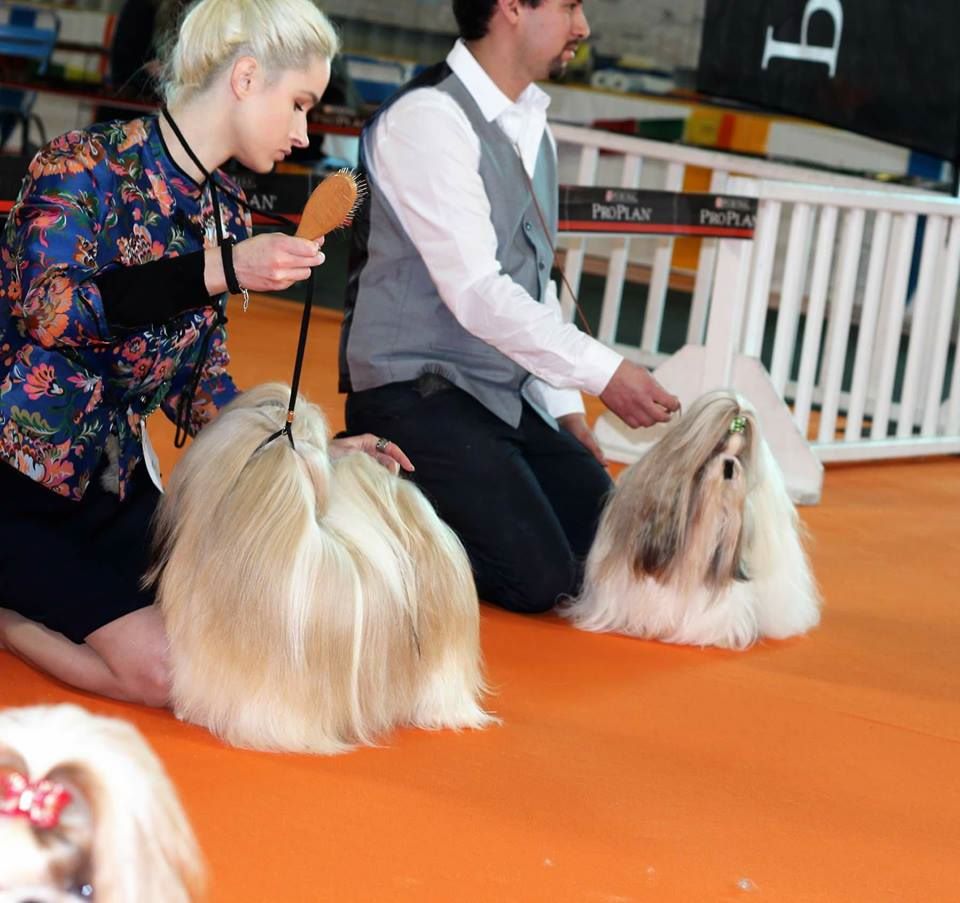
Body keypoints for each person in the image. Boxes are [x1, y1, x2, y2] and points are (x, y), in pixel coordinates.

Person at [0, 0, 409, 706]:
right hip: (16, 486)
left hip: (115, 485)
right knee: (163, 673)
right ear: (246, 78)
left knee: (234, 636)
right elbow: (51, 314)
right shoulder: (81, 166)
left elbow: (199, 384)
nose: (305, 132)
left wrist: (307, 447)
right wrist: (217, 269)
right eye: (300, 104)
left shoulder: (226, 208)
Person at [339, 0, 681, 616]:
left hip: (499, 398)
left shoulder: (532, 125)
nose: (583, 28)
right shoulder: (428, 118)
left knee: (603, 546)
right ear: (511, 8)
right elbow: (478, 292)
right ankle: (360, 486)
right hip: (411, 394)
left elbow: (534, 280)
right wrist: (604, 374)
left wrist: (567, 411)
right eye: (571, 6)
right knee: (541, 579)